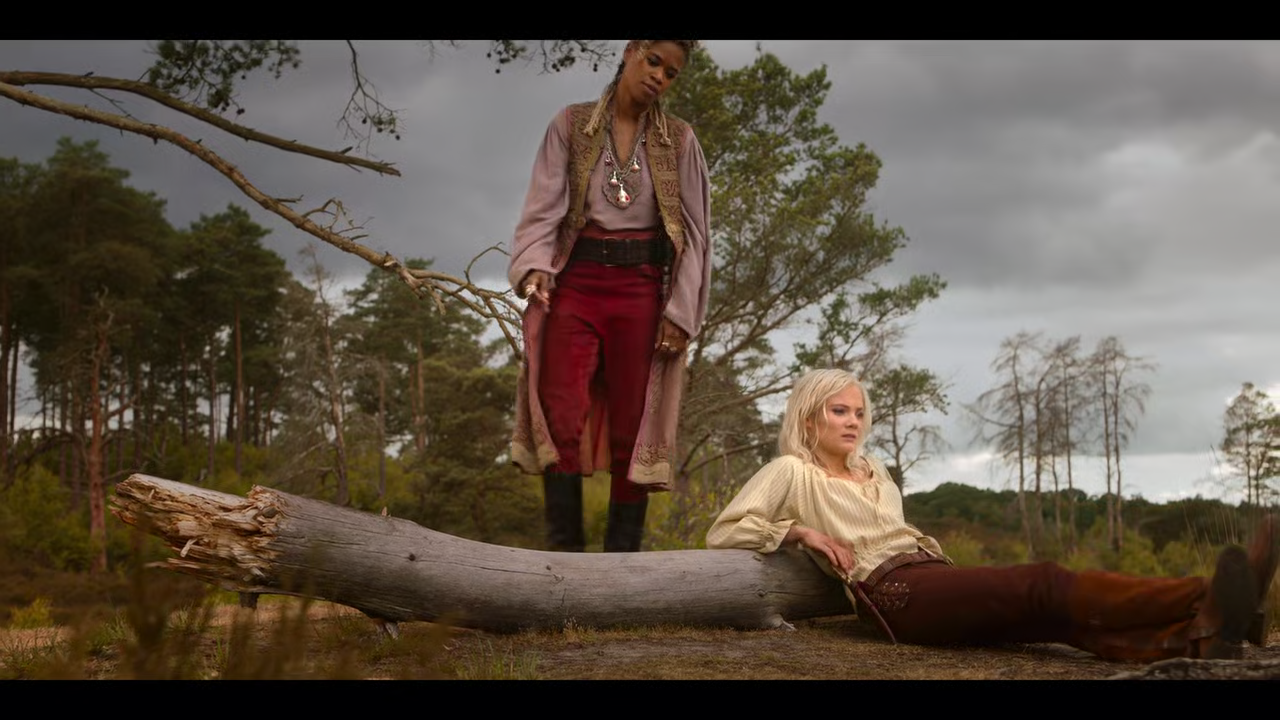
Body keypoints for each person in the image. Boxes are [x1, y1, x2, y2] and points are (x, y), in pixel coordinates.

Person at [706, 368, 1280, 661]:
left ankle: (1197, 642)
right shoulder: (792, 471)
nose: (853, 421)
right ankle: (1206, 596)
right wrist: (800, 531)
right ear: (809, 417)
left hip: (930, 574)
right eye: (839, 411)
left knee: (1055, 623)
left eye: (859, 412)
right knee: (1043, 582)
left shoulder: (874, 469)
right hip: (892, 595)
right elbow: (724, 531)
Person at [508, 40, 711, 554]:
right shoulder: (571, 124)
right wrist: (535, 268)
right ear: (630, 51)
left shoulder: (679, 140)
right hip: (575, 282)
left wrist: (680, 312)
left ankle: (622, 565)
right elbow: (544, 204)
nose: (659, 76)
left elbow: (694, 233)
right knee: (560, 409)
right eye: (653, 61)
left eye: (671, 73)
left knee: (633, 422)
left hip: (641, 288)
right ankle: (564, 559)